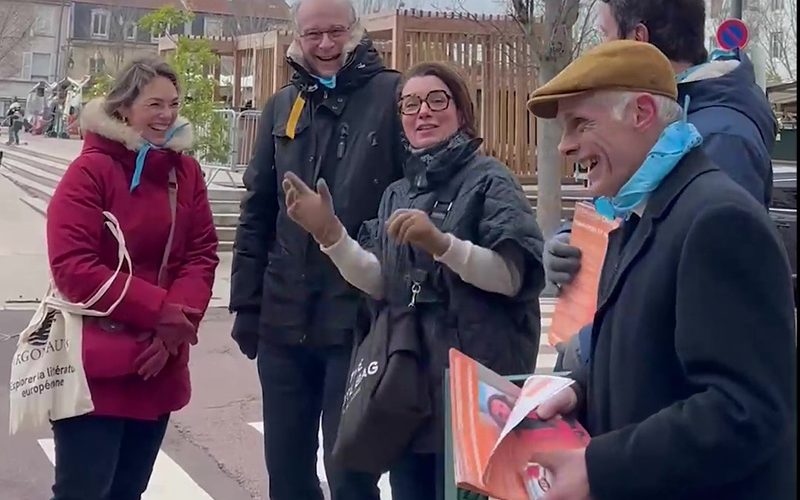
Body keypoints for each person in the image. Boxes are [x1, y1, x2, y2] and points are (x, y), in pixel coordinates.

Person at [528, 40, 795, 500]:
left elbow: (745, 410)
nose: (566, 145)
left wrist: (598, 467)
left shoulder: (717, 221)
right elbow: (647, 357)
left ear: (642, 113)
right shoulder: (641, 215)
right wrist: (579, 389)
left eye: (580, 123)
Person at [283, 61, 545, 500]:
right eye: (410, 104)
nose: (423, 111)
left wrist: (442, 244)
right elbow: (381, 282)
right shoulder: (397, 192)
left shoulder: (490, 180)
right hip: (410, 389)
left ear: (461, 111)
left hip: (475, 394)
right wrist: (330, 235)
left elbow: (512, 277)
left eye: (436, 100)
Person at [228, 0, 406, 498]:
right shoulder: (282, 105)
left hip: (356, 321)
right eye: (313, 35)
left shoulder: (391, 96)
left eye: (335, 32)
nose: (325, 45)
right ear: (297, 37)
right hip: (283, 319)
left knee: (350, 473)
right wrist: (246, 304)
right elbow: (257, 209)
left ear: (355, 31)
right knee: (286, 473)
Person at [546, 0, 778, 370]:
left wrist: (590, 351)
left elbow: (705, 310)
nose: (566, 146)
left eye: (604, 35)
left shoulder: (722, 137)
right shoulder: (671, 119)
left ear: (638, 40)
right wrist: (575, 241)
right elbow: (632, 219)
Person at [45, 57, 219, 500]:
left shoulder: (186, 172)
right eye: (154, 104)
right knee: (83, 491)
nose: (167, 115)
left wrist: (173, 331)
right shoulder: (91, 171)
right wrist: (160, 313)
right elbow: (73, 267)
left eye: (174, 104)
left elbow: (201, 254)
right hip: (94, 369)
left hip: (157, 362)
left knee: (129, 490)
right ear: (123, 107)